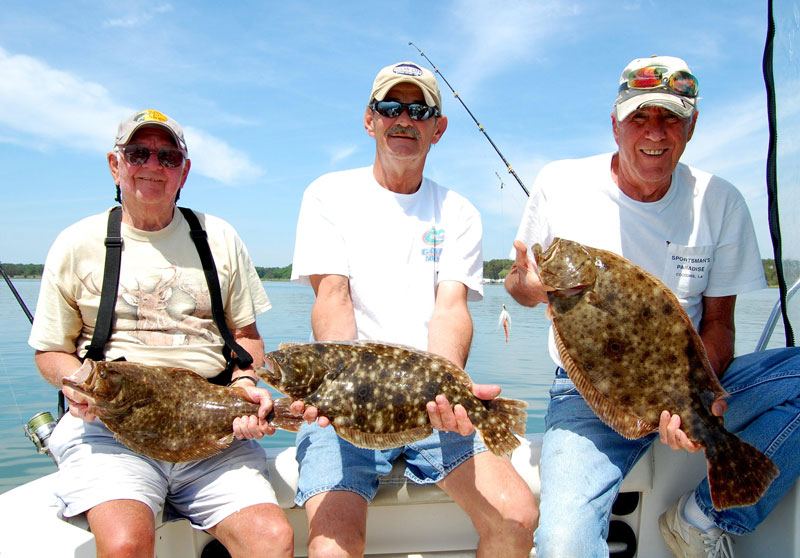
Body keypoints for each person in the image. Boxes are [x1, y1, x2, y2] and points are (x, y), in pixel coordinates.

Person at [504, 55, 800, 557]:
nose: (655, 132)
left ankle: (705, 516)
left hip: (693, 383)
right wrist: (531, 288)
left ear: (692, 125)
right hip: (587, 395)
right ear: (615, 124)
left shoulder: (720, 200)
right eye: (639, 116)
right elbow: (517, 281)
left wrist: (699, 402)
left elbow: (720, 325)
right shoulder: (560, 183)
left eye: (671, 118)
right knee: (561, 544)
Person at [289, 61, 538, 557]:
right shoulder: (327, 195)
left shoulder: (458, 212)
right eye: (390, 107)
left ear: (437, 128)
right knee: (333, 545)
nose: (403, 119)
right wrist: (336, 392)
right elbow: (333, 297)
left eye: (419, 111)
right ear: (370, 119)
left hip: (433, 403)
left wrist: (448, 393)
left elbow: (450, 310)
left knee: (517, 516)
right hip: (348, 404)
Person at [28, 109, 294, 558]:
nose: (152, 165)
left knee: (272, 539)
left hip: (212, 426)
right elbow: (50, 351)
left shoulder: (219, 236)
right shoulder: (76, 243)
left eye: (167, 157)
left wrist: (245, 384)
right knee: (125, 544)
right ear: (115, 164)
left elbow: (246, 335)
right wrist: (75, 384)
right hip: (110, 429)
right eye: (138, 153)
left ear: (183, 172)